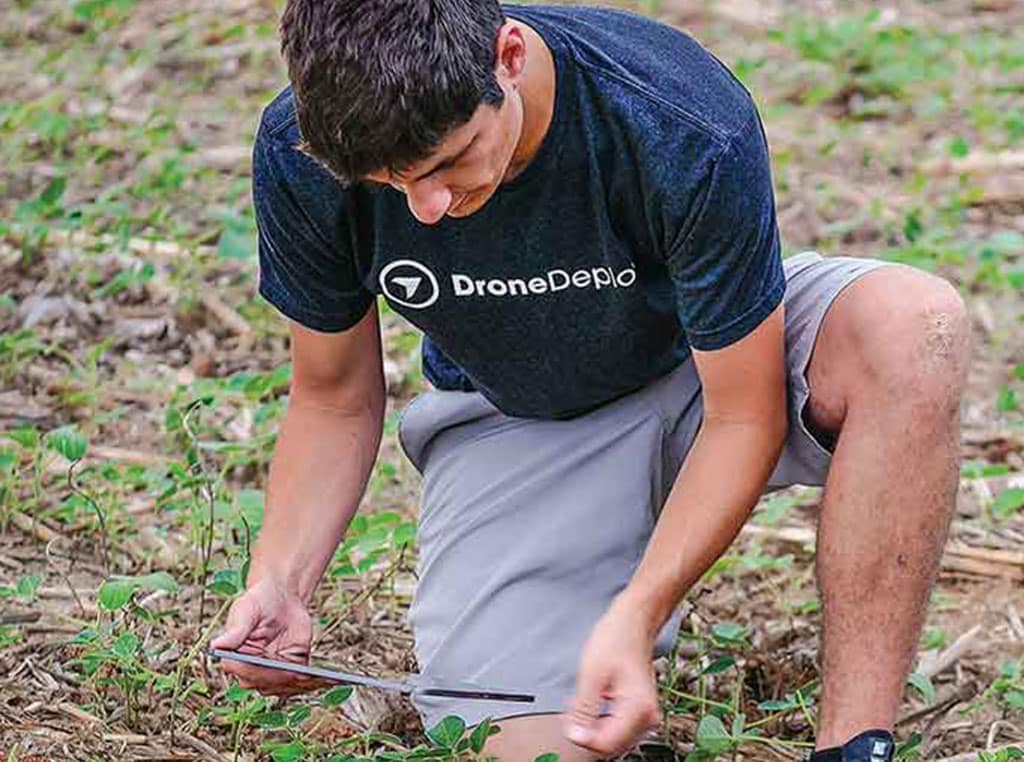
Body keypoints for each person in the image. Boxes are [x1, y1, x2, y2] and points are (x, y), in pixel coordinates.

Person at [209, 2, 971, 760]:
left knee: (913, 327)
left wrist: (637, 612)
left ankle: (853, 745)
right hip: (518, 421)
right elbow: (333, 396)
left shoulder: (677, 119)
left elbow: (744, 415)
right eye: (391, 183)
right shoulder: (302, 155)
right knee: (531, 747)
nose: (428, 208)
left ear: (508, 57)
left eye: (449, 160)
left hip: (711, 373)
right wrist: (281, 578)